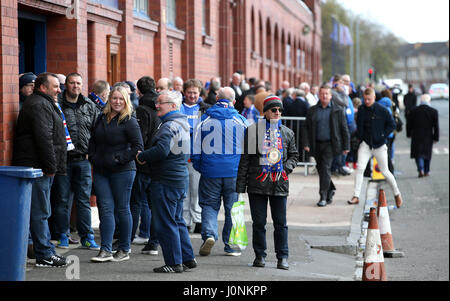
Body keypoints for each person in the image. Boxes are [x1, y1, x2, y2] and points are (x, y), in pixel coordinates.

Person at [136, 90, 197, 273]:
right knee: (177, 220)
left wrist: (142, 156)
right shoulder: (183, 123)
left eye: (160, 102)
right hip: (178, 178)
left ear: (173, 105)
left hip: (166, 180)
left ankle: (173, 263)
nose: (156, 105)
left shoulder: (168, 125)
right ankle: (187, 258)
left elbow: (162, 150)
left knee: (166, 222)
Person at [13, 72, 68, 267]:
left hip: (41, 166)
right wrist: (51, 167)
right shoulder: (38, 104)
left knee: (42, 209)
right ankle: (44, 254)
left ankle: (44, 250)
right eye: (55, 86)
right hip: (39, 167)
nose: (59, 90)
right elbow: (44, 138)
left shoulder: (42, 103)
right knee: (40, 211)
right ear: (43, 87)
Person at [237, 95, 298, 270]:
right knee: (259, 223)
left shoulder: (287, 133)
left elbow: (294, 155)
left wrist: (286, 168)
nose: (277, 112)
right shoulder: (253, 131)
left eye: (280, 110)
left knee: (280, 223)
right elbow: (245, 159)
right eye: (274, 109)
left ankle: (282, 257)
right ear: (266, 112)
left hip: (279, 184)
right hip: (257, 183)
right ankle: (260, 255)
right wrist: (240, 186)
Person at [89, 86, 144, 263]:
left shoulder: (129, 120)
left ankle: (124, 248)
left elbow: (138, 147)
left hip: (123, 171)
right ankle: (105, 250)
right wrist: (93, 157)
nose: (117, 102)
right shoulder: (101, 117)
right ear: (109, 99)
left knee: (122, 208)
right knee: (105, 209)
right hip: (101, 170)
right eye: (114, 98)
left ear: (126, 101)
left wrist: (118, 158)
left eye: (121, 99)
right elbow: (93, 140)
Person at [191, 87, 248, 257]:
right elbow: (250, 150)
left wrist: (201, 166)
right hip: (234, 171)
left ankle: (209, 234)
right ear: (234, 101)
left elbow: (194, 148)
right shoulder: (241, 121)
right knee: (232, 208)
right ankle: (229, 244)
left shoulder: (204, 119)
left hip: (210, 170)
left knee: (209, 204)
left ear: (217, 98)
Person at [52, 72, 100, 250]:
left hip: (84, 161)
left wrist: (93, 153)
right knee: (62, 200)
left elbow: (97, 131)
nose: (75, 86)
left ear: (82, 85)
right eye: (72, 83)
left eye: (78, 83)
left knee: (83, 200)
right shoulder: (57, 105)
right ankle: (63, 235)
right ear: (66, 85)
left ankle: (87, 236)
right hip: (63, 161)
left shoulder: (89, 105)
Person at [348, 88, 403, 208]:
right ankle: (356, 196)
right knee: (360, 169)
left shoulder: (382, 110)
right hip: (366, 144)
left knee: (385, 171)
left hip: (379, 145)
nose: (367, 101)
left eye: (369, 99)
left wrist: (383, 135)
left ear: (374, 98)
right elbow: (359, 125)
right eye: (365, 99)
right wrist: (360, 137)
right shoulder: (362, 109)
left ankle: (397, 194)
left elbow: (392, 124)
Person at [302, 84, 350, 207]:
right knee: (321, 169)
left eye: (326, 94)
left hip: (330, 145)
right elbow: (306, 128)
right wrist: (306, 143)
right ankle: (331, 189)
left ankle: (322, 196)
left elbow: (344, 129)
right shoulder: (312, 110)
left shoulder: (337, 110)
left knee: (325, 168)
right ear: (319, 95)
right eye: (322, 93)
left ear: (330, 95)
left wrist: (346, 146)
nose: (324, 96)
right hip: (316, 144)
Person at [132, 76, 161, 255]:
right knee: (153, 204)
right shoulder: (160, 108)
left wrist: (138, 156)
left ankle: (127, 241)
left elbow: (140, 137)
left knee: (137, 202)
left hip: (143, 162)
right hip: (157, 161)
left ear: (139, 91)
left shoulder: (142, 109)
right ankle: (153, 242)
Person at [180, 79, 211, 233]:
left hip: (199, 157)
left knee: (197, 190)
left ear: (200, 93)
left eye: (195, 92)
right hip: (181, 156)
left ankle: (198, 219)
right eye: (189, 92)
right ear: (184, 93)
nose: (192, 95)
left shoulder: (204, 109)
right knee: (184, 191)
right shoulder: (179, 107)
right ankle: (185, 221)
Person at [407, 94, 439, 177]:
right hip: (428, 136)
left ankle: (420, 169)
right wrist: (436, 137)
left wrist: (409, 133)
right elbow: (436, 126)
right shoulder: (434, 111)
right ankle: (426, 170)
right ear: (429, 101)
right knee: (427, 154)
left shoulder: (413, 111)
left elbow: (409, 124)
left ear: (420, 101)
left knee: (418, 153)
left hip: (416, 135)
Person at [378, 89, 396, 173]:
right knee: (388, 152)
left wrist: (382, 134)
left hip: (385, 134)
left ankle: (389, 171)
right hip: (390, 134)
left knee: (385, 154)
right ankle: (389, 170)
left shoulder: (381, 107)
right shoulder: (389, 106)